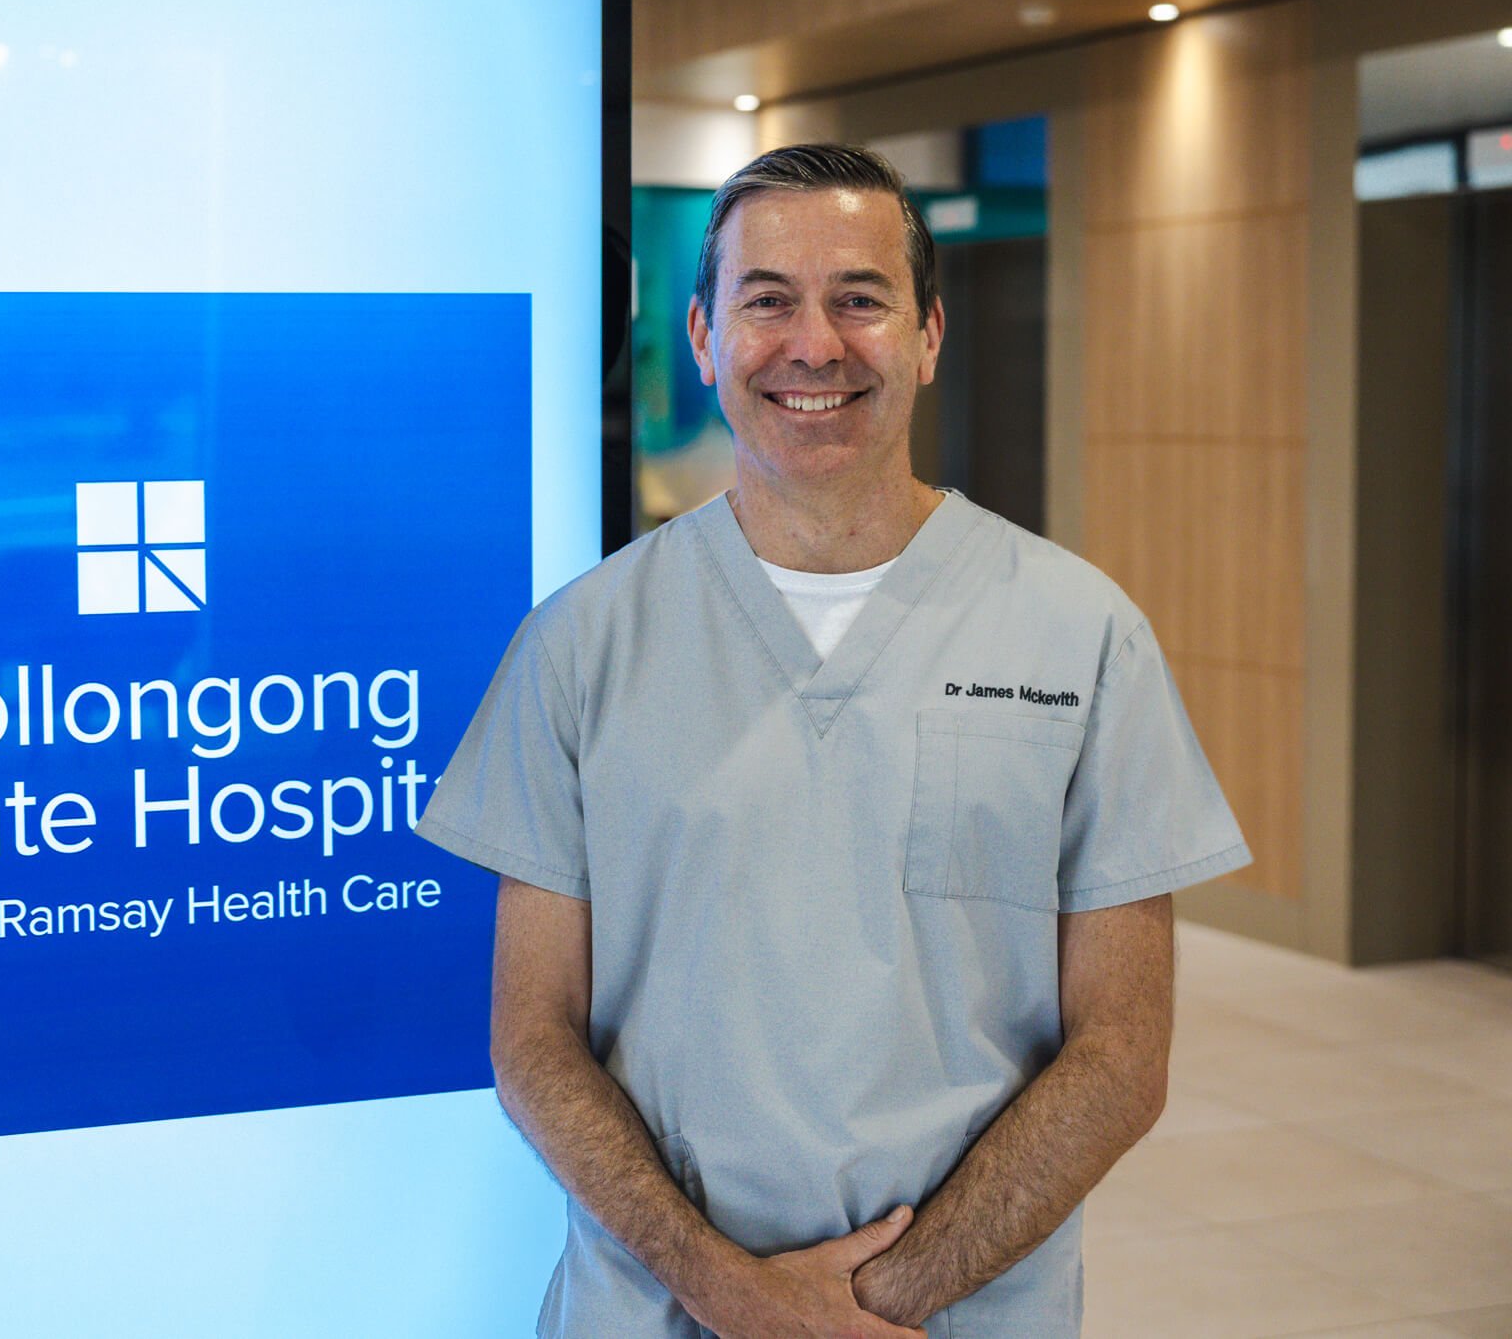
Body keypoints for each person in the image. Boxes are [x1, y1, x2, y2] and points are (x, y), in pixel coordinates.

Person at [414, 143, 1250, 1338]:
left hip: (961, 1314)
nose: (814, 344)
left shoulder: (1079, 634)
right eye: (767, 302)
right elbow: (531, 1041)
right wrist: (730, 1292)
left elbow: (1120, 1056)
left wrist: (872, 1307)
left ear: (926, 336)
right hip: (658, 1310)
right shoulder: (581, 645)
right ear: (702, 339)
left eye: (858, 299)